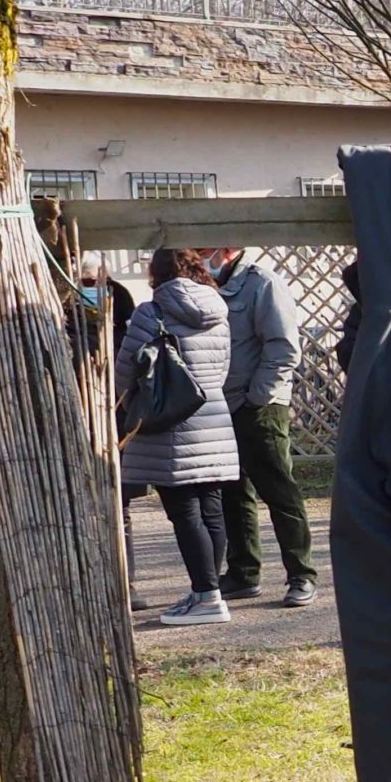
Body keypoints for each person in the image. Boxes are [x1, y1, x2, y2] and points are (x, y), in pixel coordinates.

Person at [118, 247, 241, 627]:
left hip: (171, 421)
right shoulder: (219, 309)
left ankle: (206, 598)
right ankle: (209, 591)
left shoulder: (150, 311)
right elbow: (223, 368)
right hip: (213, 416)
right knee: (212, 508)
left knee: (184, 511)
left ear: (156, 273)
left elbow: (126, 370)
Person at [205, 243, 318, 607]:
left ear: (229, 248)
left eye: (204, 248)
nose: (198, 255)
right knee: (232, 493)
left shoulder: (263, 283)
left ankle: (301, 574)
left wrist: (258, 395)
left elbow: (284, 347)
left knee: (278, 490)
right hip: (221, 405)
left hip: (261, 405)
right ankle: (242, 573)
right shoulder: (205, 284)